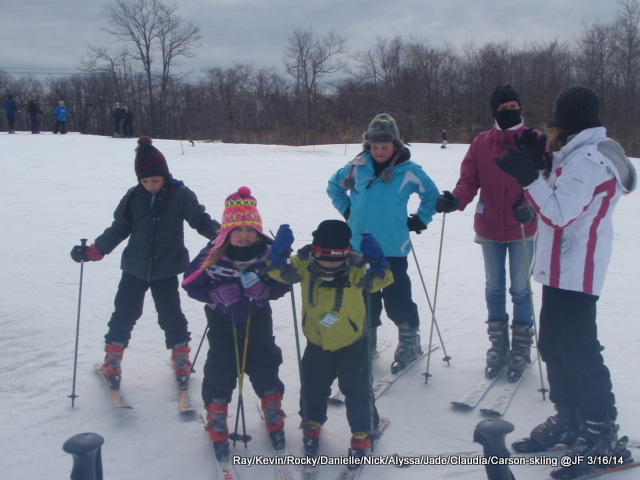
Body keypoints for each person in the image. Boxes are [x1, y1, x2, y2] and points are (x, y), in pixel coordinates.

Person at [496, 85, 636, 479]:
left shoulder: (590, 161)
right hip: (559, 264)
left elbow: (559, 212)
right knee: (554, 345)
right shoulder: (578, 152)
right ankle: (570, 419)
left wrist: (528, 177)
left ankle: (602, 435)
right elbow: (558, 189)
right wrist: (539, 162)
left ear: (566, 121)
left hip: (579, 267)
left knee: (579, 350)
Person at [70, 136, 220, 391]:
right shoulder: (134, 197)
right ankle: (113, 361)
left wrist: (223, 238)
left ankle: (181, 359)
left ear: (165, 175)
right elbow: (119, 228)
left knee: (171, 314)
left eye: (155, 180)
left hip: (166, 269)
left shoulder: (181, 195)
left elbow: (201, 220)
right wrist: (96, 250)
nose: (150, 185)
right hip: (135, 268)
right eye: (145, 181)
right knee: (124, 313)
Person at [435, 84, 539, 383]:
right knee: (494, 288)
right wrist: (456, 199)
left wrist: (531, 206)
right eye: (503, 109)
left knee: (520, 288)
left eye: (513, 107)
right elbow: (469, 179)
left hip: (522, 226)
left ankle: (521, 346)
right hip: (490, 225)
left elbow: (546, 179)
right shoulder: (482, 142)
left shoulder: (534, 139)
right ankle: (499, 344)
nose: (510, 112)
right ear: (494, 111)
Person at [266, 221, 393, 462]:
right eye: (325, 259)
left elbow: (381, 280)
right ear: (315, 252)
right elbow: (277, 272)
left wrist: (378, 262)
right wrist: (279, 253)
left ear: (346, 254)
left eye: (336, 260)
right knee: (313, 385)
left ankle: (363, 430)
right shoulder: (303, 264)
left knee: (357, 390)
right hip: (317, 341)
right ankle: (311, 422)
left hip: (352, 342)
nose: (329, 265)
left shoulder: (356, 267)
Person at [182, 187, 289, 458]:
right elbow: (190, 282)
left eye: (250, 230)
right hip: (221, 322)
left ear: (258, 232)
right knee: (221, 366)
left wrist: (266, 292)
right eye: (238, 229)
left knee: (264, 362)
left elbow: (284, 281)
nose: (244, 235)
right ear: (227, 232)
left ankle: (272, 407)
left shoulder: (267, 254)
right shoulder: (213, 254)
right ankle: (217, 415)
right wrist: (214, 295)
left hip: (258, 319)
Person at [327, 113, 439, 372]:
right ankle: (367, 340)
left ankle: (410, 340)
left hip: (392, 247)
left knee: (397, 298)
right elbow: (334, 187)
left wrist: (420, 220)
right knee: (365, 298)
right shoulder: (356, 166)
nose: (379, 151)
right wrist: (348, 211)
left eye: (384, 146)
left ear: (395, 145)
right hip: (357, 247)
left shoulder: (409, 171)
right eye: (374, 146)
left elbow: (431, 196)